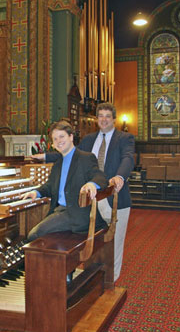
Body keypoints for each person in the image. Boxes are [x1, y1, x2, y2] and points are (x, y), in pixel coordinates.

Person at [32, 103, 135, 282]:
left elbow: (128, 158)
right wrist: (46, 156)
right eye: (100, 116)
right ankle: (88, 276)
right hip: (88, 200)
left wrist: (119, 176)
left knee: (114, 242)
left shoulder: (124, 138)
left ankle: (112, 279)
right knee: (92, 240)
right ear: (96, 119)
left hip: (112, 194)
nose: (103, 119)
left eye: (107, 116)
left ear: (114, 119)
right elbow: (70, 153)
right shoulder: (88, 139)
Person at [23, 120, 108, 243]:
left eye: (61, 136)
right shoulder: (58, 164)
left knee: (33, 235)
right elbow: (50, 186)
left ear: (71, 137)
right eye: (55, 139)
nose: (59, 141)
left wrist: (91, 183)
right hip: (60, 211)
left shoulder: (86, 157)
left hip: (76, 214)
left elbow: (100, 177)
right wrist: (36, 192)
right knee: (41, 237)